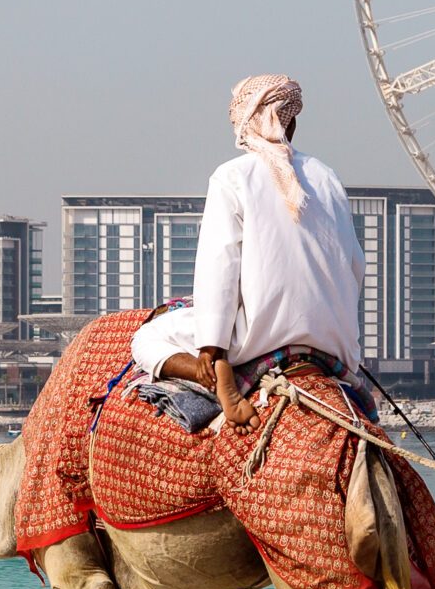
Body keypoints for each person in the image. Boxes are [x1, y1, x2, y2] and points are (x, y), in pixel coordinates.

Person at [130, 74, 365, 430]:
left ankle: (208, 374)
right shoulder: (327, 177)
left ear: (242, 124)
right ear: (293, 122)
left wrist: (212, 347)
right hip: (335, 342)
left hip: (258, 337)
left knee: (146, 338)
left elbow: (219, 266)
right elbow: (355, 266)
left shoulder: (232, 176)